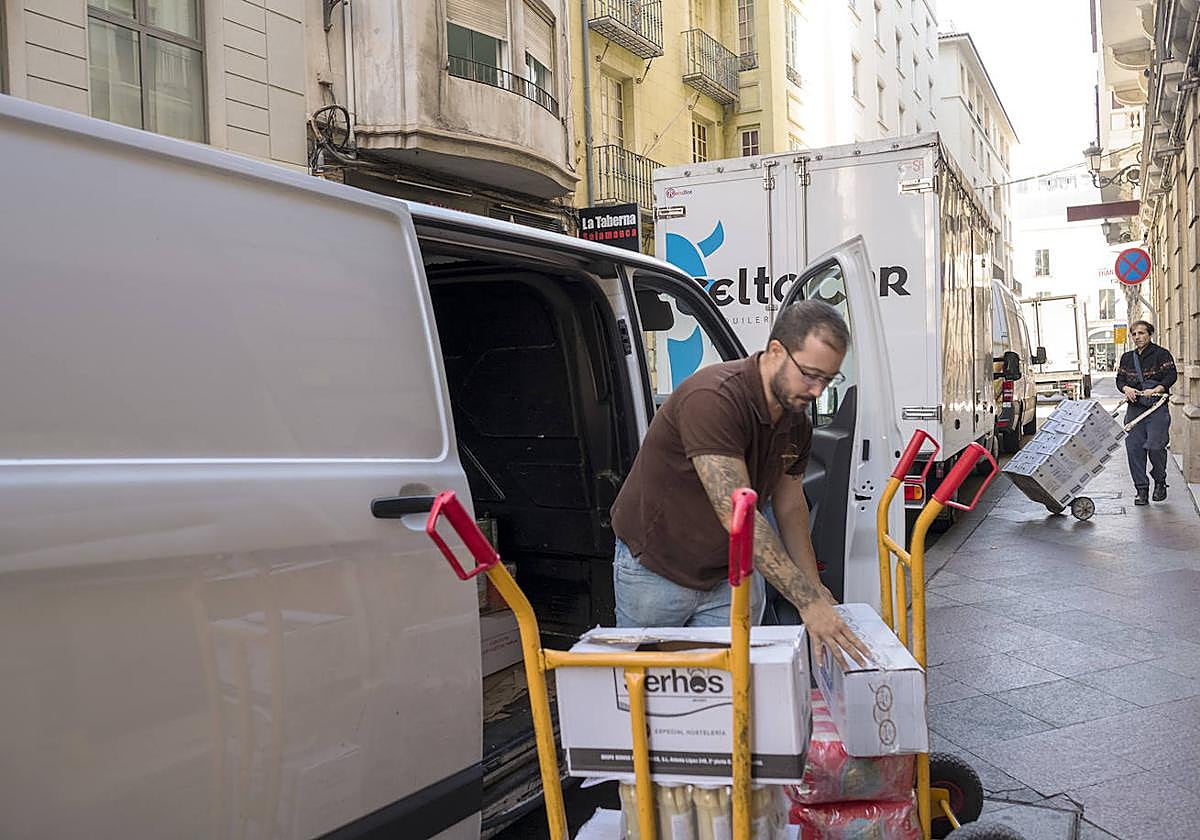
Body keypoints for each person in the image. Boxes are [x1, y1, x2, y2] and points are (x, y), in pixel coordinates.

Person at [610, 300, 870, 667]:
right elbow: (738, 513)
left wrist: (815, 589)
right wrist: (806, 602)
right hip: (657, 570)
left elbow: (790, 506)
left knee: (731, 697)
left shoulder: (796, 421)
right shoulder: (714, 398)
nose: (816, 391)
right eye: (810, 375)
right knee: (643, 692)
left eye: (828, 380)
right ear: (776, 351)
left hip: (729, 578)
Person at [1115, 320, 1177, 506]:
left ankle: (1160, 481)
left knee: (1156, 446)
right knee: (1134, 449)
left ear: (1150, 334)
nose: (1137, 337)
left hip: (1156, 406)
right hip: (1135, 408)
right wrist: (1126, 388)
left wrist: (1157, 388)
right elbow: (1119, 380)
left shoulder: (1161, 354)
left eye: (1141, 333)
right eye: (1134, 334)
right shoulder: (1127, 358)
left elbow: (1171, 375)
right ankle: (1141, 489)